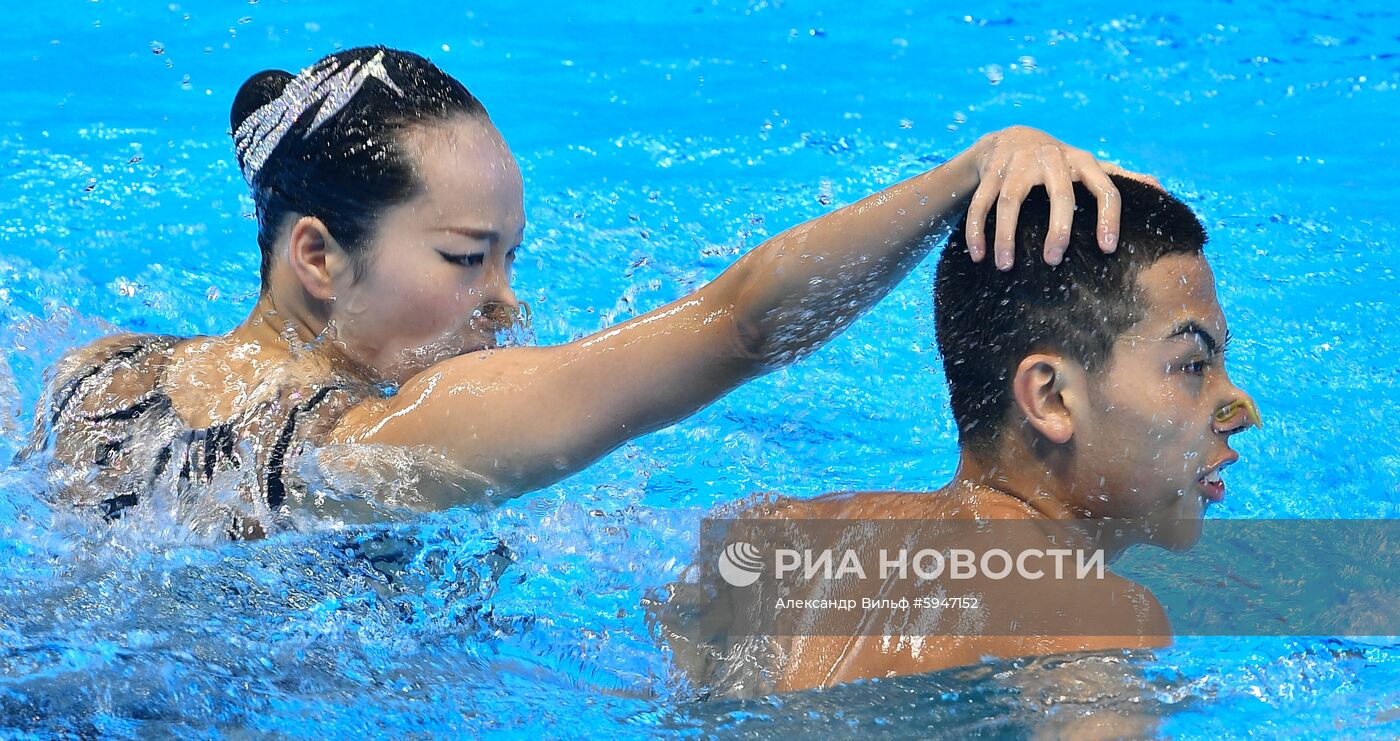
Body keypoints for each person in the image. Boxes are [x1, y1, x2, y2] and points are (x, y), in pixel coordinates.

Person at [16, 46, 1135, 539]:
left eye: (510, 259)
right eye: (464, 259)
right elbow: (737, 325)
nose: (504, 304)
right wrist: (961, 176)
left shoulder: (91, 373)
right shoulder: (365, 444)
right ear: (317, 257)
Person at [655, 174, 1261, 696]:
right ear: (1049, 397)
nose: (1238, 406)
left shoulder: (771, 537)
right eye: (1193, 365)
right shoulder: (1095, 619)